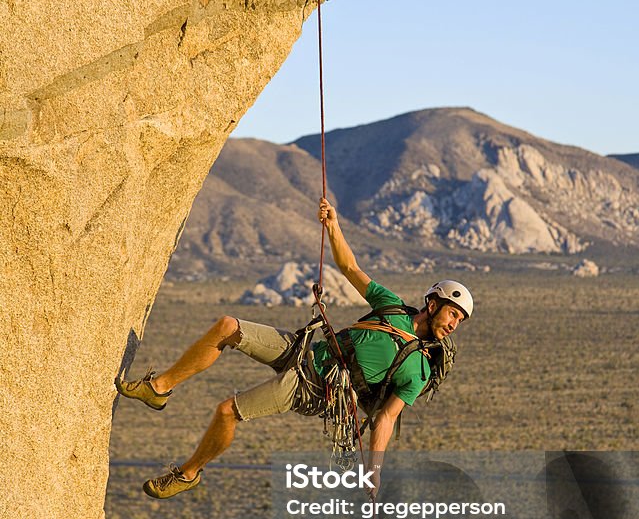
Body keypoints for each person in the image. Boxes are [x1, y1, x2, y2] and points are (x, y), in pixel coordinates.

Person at [115, 197, 473, 499]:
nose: (454, 323)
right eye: (453, 313)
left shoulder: (419, 369)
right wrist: (333, 225)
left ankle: (187, 475)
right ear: (432, 303)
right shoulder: (391, 306)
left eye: (460, 320)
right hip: (305, 350)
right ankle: (159, 389)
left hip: (314, 387)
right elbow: (349, 267)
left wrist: (373, 472)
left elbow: (385, 418)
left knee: (227, 411)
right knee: (227, 327)